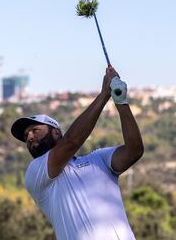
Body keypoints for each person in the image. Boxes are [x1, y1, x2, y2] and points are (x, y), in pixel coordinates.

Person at [10, 66, 144, 240]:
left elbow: (134, 150)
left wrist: (121, 101)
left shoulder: (99, 159)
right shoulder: (35, 172)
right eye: (25, 135)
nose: (29, 137)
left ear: (56, 132)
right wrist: (104, 95)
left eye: (35, 130)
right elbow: (71, 142)